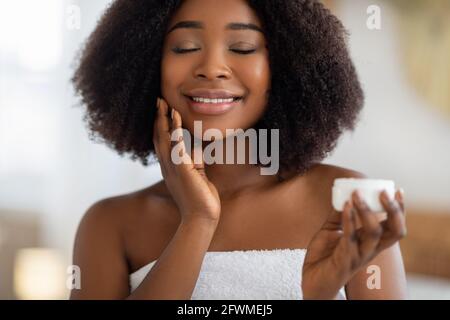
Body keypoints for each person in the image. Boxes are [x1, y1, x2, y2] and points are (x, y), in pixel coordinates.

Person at [70, 0, 407, 299]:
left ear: (284, 67)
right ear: (146, 67)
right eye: (185, 47)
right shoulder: (109, 224)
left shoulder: (348, 206)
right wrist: (197, 221)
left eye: (243, 47)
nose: (212, 67)